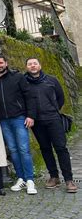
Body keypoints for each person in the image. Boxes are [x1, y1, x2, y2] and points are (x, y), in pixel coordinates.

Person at [25, 58, 78, 193]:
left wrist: (53, 110)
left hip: (53, 118)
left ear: (40, 65)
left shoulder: (51, 80)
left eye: (35, 63)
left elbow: (60, 98)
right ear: (26, 67)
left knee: (61, 148)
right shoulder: (24, 82)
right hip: (37, 122)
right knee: (45, 149)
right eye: (30, 64)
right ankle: (54, 177)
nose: (32, 66)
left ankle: (69, 179)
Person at [0, 55, 38, 195]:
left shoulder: (17, 77)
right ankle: (21, 177)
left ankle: (30, 179)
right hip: (3, 120)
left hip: (19, 118)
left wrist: (31, 115)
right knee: (13, 150)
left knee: (24, 149)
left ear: (6, 63)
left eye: (1, 62)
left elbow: (29, 96)